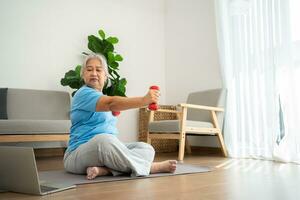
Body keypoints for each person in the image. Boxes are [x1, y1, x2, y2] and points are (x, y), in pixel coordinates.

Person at [63, 53, 177, 180]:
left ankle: (106, 170)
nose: (94, 73)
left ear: (105, 76)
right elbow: (111, 103)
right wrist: (144, 100)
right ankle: (151, 168)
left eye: (98, 70)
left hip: (105, 150)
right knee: (104, 140)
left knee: (146, 148)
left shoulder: (101, 97)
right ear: (83, 75)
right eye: (89, 70)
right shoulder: (83, 93)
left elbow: (109, 105)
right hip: (77, 154)